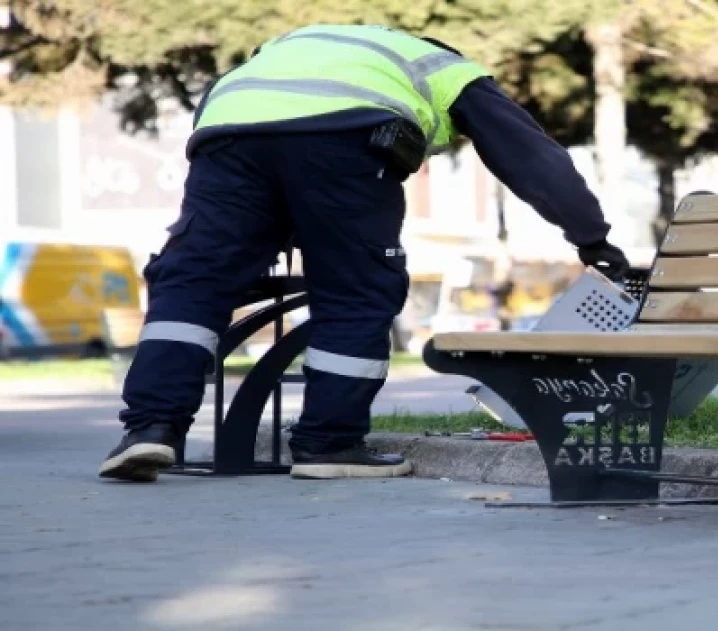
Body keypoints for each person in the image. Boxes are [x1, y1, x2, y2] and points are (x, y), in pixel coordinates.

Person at [98, 24, 630, 482]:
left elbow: (258, 136)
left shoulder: (291, 47)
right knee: (357, 287)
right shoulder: (444, 67)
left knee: (193, 281)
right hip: (344, 138)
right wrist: (592, 237)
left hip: (227, 131)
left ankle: (150, 428)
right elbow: (529, 157)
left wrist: (266, 232)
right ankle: (328, 444)